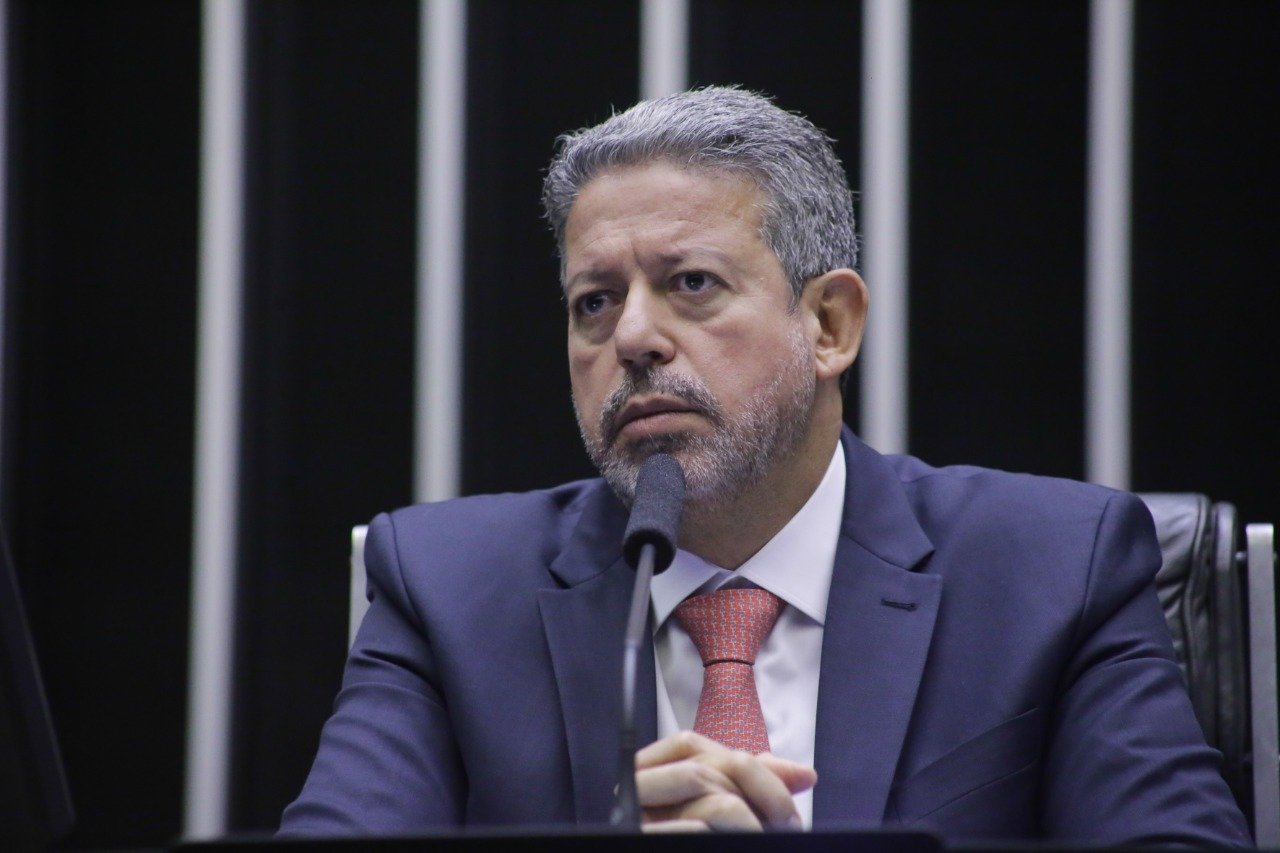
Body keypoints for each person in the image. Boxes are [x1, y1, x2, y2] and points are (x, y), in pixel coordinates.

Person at [279, 86, 1250, 845]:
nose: (633, 338)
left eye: (689, 284)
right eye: (592, 301)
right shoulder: (448, 587)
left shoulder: (1051, 567)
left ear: (827, 324)